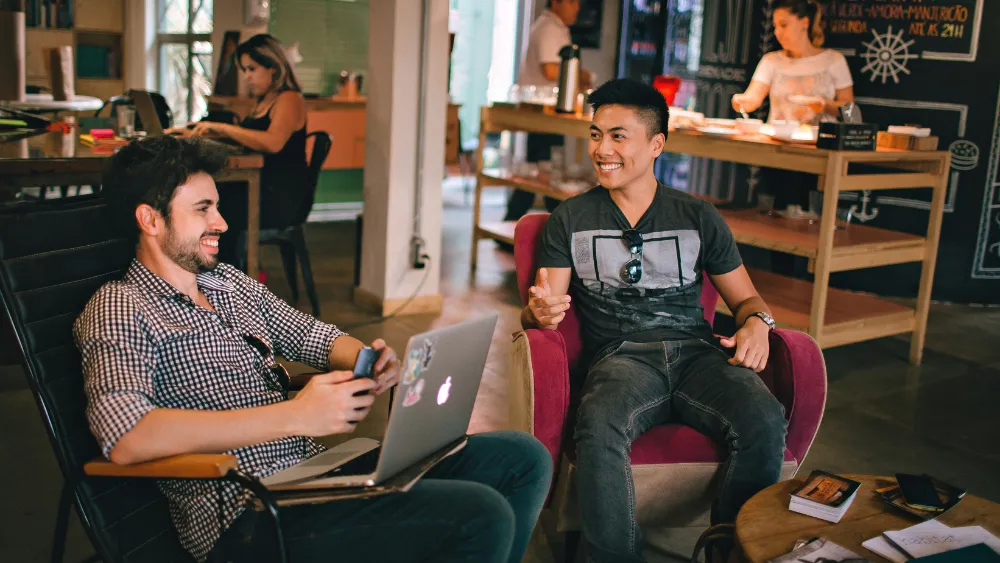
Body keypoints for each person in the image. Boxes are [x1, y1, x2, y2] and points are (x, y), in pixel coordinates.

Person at [74, 135, 553, 563]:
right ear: (149, 219)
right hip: (248, 516)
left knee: (521, 457)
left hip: (314, 478)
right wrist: (296, 417)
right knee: (479, 514)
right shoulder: (121, 306)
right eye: (202, 209)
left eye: (216, 206)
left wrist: (367, 361)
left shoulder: (225, 284)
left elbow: (311, 335)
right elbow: (126, 436)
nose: (220, 221)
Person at [521, 79, 786, 563]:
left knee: (763, 418)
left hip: (699, 355)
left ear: (656, 144)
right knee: (599, 423)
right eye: (596, 135)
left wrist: (758, 323)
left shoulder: (698, 216)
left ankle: (731, 552)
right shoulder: (570, 217)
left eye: (618, 136)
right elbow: (546, 304)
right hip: (621, 358)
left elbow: (747, 299)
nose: (602, 150)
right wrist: (536, 312)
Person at [167, 34, 311, 268]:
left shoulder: (290, 99)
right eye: (244, 70)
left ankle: (223, 276)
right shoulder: (263, 101)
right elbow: (249, 139)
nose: (247, 77)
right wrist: (199, 132)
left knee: (211, 206)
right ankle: (209, 272)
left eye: (252, 69)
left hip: (279, 196)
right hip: (262, 186)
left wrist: (222, 128)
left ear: (273, 68)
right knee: (204, 200)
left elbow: (272, 142)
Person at [731, 0, 854, 214]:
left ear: (804, 23)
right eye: (776, 26)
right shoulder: (771, 61)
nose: (777, 32)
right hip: (778, 149)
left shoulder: (834, 60)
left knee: (810, 217)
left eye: (784, 25)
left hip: (818, 151)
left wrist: (824, 105)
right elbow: (753, 99)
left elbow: (849, 109)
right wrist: (740, 101)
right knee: (774, 217)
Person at [504, 0, 593, 224]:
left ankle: (519, 227)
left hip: (549, 114)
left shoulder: (554, 27)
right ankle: (553, 231)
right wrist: (582, 76)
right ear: (556, 2)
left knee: (543, 174)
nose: (577, 8)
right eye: (572, 2)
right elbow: (551, 68)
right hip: (545, 114)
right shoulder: (549, 28)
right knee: (546, 174)